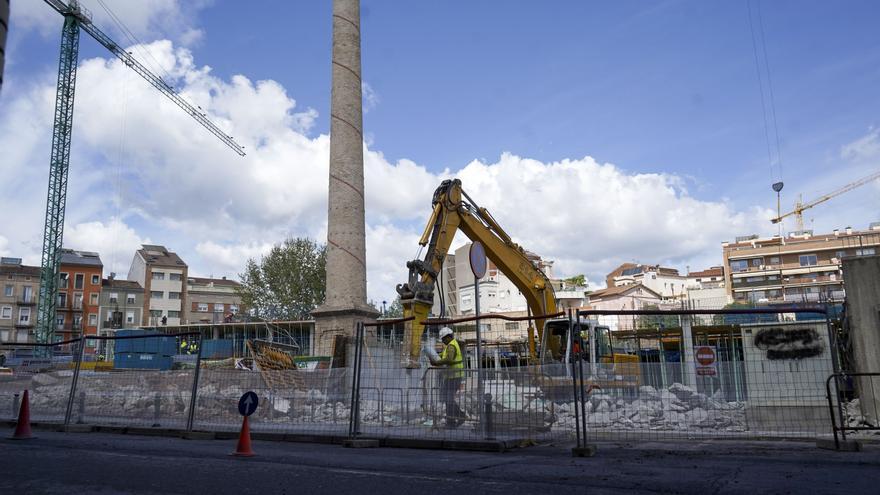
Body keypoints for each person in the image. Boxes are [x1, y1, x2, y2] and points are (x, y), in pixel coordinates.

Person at [429, 327, 466, 428]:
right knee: (447, 399)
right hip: (451, 376)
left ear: (448, 336)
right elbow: (446, 355)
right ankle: (453, 420)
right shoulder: (450, 345)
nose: (442, 341)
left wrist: (436, 362)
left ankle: (456, 419)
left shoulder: (451, 346)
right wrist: (437, 355)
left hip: (454, 376)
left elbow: (449, 359)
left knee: (448, 399)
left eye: (443, 338)